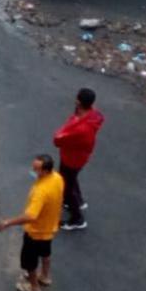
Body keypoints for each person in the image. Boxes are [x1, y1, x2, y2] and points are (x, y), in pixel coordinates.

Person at [0, 154, 64, 291]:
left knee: (29, 263)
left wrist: (8, 222)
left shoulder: (41, 191)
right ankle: (45, 277)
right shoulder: (57, 178)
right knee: (45, 254)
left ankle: (34, 287)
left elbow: (31, 216)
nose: (33, 171)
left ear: (45, 171)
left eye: (36, 169)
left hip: (35, 233)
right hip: (49, 229)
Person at [52, 88, 104, 230]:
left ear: (78, 102)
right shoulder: (93, 117)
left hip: (71, 158)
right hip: (80, 157)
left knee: (67, 185)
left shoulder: (80, 128)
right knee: (71, 178)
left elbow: (58, 139)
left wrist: (60, 133)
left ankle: (77, 218)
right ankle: (77, 201)